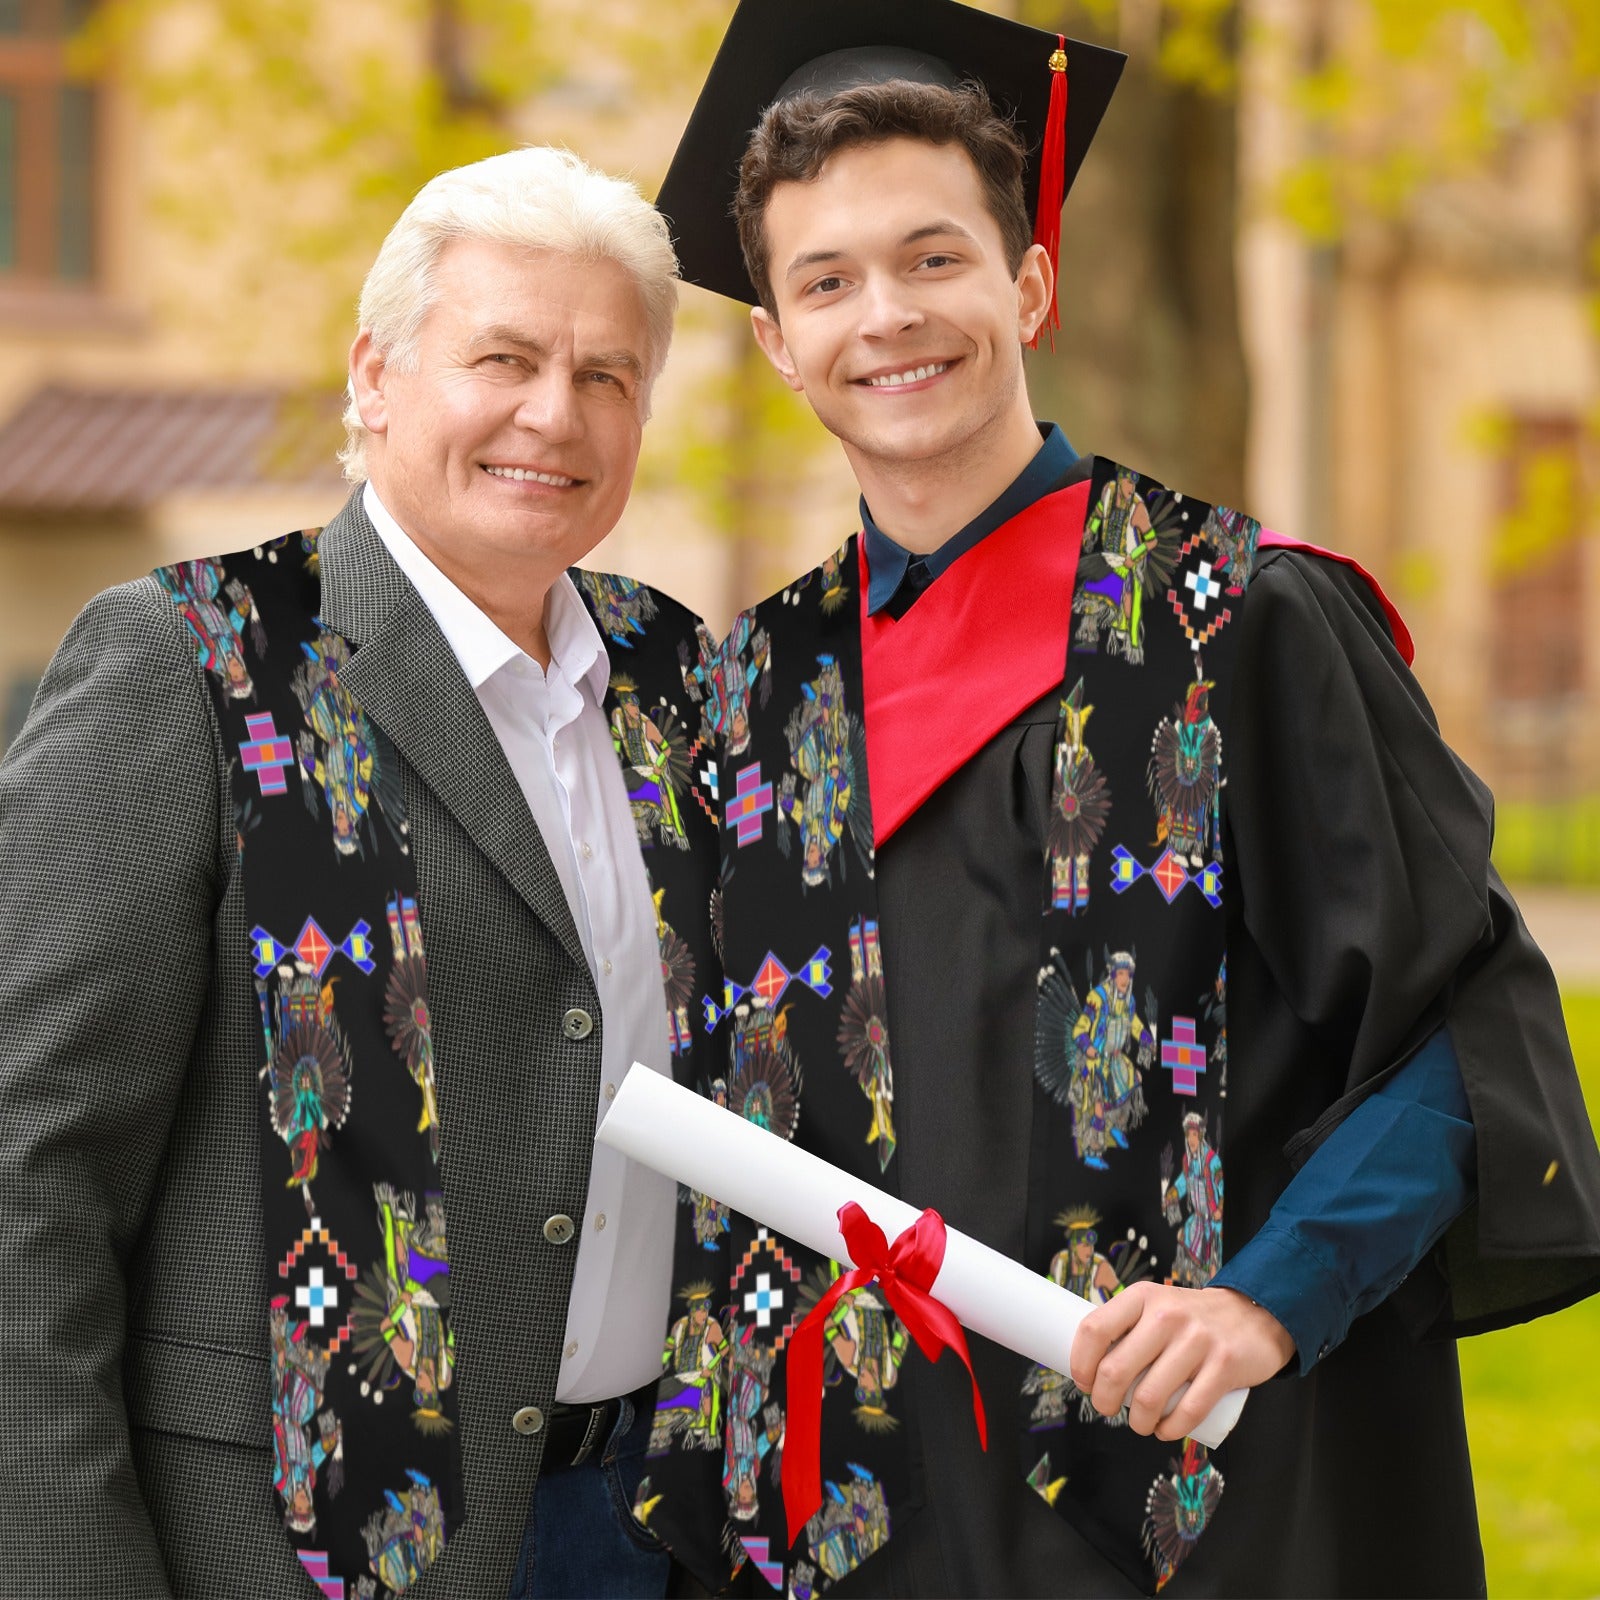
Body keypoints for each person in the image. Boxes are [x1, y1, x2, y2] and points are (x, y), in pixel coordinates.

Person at [636, 2, 1600, 1595]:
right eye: (826, 281)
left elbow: (1462, 1033)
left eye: (934, 258)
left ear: (1029, 281)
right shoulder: (752, 693)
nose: (887, 316)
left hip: (1201, 1491)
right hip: (868, 1517)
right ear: (777, 342)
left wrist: (1269, 1300)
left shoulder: (1245, 623)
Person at [0, 146, 722, 1599]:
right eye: (503, 357)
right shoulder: (194, 662)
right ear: (375, 377)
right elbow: (28, 1171)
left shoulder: (680, 678)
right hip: (291, 1549)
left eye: (606, 375)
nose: (553, 413)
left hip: (644, 1532)